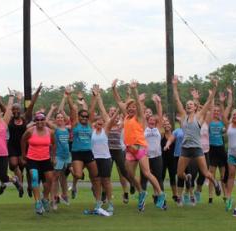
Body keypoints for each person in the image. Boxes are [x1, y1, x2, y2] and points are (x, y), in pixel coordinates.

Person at [112, 79, 166, 211]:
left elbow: (137, 104)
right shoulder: (126, 117)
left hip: (141, 148)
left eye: (133, 107)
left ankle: (160, 194)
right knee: (129, 174)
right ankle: (141, 192)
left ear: (137, 108)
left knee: (147, 173)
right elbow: (119, 102)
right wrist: (113, 88)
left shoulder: (139, 117)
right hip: (130, 149)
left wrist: (135, 90)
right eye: (129, 107)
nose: (131, 108)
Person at [171, 76, 220, 206]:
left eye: (191, 104)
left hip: (198, 149)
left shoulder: (199, 117)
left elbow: (209, 101)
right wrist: (174, 86)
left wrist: (215, 87)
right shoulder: (183, 117)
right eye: (187, 105)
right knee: (179, 173)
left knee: (205, 173)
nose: (188, 106)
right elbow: (176, 100)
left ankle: (215, 183)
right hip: (186, 149)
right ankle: (187, 178)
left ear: (195, 107)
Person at [0, 86, 39, 196]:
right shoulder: (10, 119)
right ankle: (20, 186)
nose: (15, 111)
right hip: (12, 145)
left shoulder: (25, 118)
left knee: (26, 166)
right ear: (12, 111)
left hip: (24, 146)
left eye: (17, 109)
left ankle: (29, 187)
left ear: (20, 110)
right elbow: (1, 105)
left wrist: (37, 92)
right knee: (14, 164)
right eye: (14, 109)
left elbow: (31, 105)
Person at [65, 85, 104, 212]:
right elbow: (72, 109)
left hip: (88, 153)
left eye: (86, 117)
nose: (84, 118)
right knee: (78, 174)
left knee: (96, 178)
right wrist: (68, 96)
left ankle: (98, 202)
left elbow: (91, 109)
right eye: (82, 116)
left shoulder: (89, 125)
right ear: (78, 117)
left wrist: (94, 96)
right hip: (77, 153)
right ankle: (74, 184)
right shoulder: (75, 124)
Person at [90, 86, 119, 213]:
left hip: (105, 158)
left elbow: (111, 118)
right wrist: (95, 97)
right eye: (98, 122)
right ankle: (98, 203)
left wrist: (120, 108)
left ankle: (110, 203)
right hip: (94, 159)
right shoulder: (91, 131)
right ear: (95, 123)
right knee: (96, 181)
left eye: (102, 122)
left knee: (106, 181)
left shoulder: (105, 130)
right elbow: (90, 113)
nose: (100, 123)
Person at [21, 112, 56, 214]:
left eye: (42, 120)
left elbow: (54, 144)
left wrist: (53, 157)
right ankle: (37, 202)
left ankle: (45, 198)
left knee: (49, 180)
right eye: (37, 120)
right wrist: (23, 155)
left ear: (45, 120)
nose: (40, 122)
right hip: (32, 159)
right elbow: (23, 140)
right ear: (35, 121)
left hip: (46, 159)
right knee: (35, 177)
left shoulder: (50, 132)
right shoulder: (30, 131)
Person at [45, 100, 71, 209]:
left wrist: (63, 107)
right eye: (58, 118)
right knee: (55, 178)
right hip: (58, 156)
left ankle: (64, 195)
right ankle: (53, 199)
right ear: (56, 120)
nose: (60, 119)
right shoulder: (55, 129)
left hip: (67, 156)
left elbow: (71, 119)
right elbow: (46, 120)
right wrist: (51, 109)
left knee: (63, 176)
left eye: (61, 117)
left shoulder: (67, 128)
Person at [207, 89, 232, 203]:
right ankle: (211, 196)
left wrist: (229, 94)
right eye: (215, 111)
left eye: (218, 111)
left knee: (223, 174)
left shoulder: (223, 120)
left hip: (221, 149)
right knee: (211, 173)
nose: (216, 112)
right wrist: (211, 96)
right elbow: (210, 108)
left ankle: (226, 195)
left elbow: (229, 106)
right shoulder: (209, 121)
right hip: (212, 149)